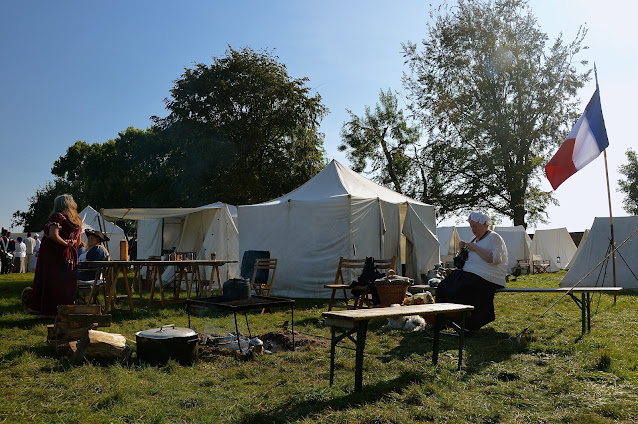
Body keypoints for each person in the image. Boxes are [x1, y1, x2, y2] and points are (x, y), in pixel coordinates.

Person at [436, 211, 508, 334]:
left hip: (489, 277)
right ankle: (444, 321)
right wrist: (462, 248)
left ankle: (468, 323)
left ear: (485, 225)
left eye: (475, 226)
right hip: (469, 274)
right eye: (471, 226)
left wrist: (475, 248)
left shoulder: (494, 237)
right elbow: (463, 261)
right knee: (444, 286)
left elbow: (496, 260)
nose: (473, 229)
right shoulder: (474, 239)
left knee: (465, 287)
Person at [29, 194, 83, 317]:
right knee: (65, 281)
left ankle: (50, 311)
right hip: (69, 254)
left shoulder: (58, 216)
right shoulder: (76, 220)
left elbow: (54, 234)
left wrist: (65, 244)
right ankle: (65, 310)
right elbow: (78, 241)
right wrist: (71, 244)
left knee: (51, 280)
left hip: (54, 253)